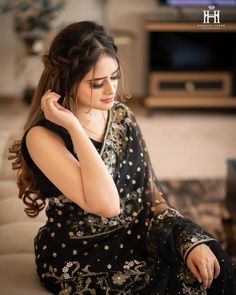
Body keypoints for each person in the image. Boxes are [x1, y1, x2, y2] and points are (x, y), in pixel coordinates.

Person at [9, 21, 235, 295]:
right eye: (97, 83)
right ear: (67, 80)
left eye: (114, 77)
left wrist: (188, 240)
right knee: (185, 284)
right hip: (80, 257)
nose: (110, 91)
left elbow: (149, 195)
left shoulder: (119, 115)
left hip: (136, 234)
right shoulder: (43, 137)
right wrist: (75, 128)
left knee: (215, 262)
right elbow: (107, 205)